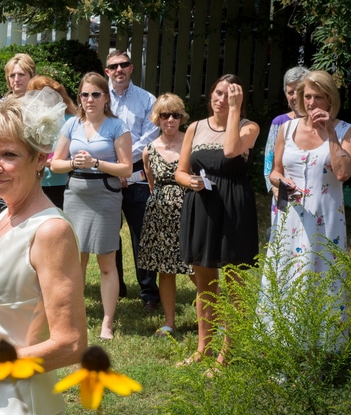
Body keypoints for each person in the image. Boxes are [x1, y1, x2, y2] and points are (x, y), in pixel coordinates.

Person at [0, 93, 87, 415]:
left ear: (40, 159)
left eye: (9, 155)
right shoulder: (5, 215)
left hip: (20, 411)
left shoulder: (50, 232)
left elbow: (71, 344)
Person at [175, 74, 259, 366]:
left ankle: (228, 352)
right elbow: (180, 171)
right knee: (204, 283)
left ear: (240, 98)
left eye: (230, 94)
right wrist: (190, 182)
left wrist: (235, 111)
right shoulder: (195, 127)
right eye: (218, 92)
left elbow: (230, 150)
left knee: (235, 283)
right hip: (202, 205)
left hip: (234, 207)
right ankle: (204, 348)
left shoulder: (249, 127)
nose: (222, 99)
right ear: (210, 94)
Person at [51, 72, 133, 340]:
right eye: (84, 95)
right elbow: (55, 163)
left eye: (96, 94)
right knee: (76, 262)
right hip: (75, 196)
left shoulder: (117, 127)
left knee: (107, 262)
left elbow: (126, 168)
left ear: (106, 98)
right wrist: (74, 163)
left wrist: (96, 163)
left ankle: (107, 323)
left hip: (105, 197)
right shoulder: (71, 125)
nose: (89, 99)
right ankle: (75, 317)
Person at [267, 70, 351, 290]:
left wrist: (330, 133)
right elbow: (275, 172)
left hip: (325, 219)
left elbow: (343, 173)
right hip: (290, 216)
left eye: (318, 97)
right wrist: (282, 183)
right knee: (285, 277)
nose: (312, 103)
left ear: (330, 100)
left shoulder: (347, 131)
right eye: (307, 96)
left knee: (323, 280)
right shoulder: (287, 128)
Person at [104, 49, 160, 309]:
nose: (119, 70)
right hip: (107, 171)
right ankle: (116, 288)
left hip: (137, 171)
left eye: (124, 64)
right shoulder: (100, 97)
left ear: (131, 67)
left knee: (142, 234)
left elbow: (150, 137)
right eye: (114, 66)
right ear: (107, 71)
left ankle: (149, 292)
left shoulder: (147, 99)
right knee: (109, 234)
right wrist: (115, 166)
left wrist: (123, 164)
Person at [139, 93, 192, 337]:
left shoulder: (191, 144)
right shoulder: (149, 150)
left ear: (182, 117)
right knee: (165, 269)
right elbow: (152, 184)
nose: (170, 120)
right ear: (156, 118)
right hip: (159, 215)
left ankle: (218, 318)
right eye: (164, 115)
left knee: (196, 268)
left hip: (189, 212)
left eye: (175, 115)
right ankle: (169, 322)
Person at [0, 54, 38, 217]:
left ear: (31, 76)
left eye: (21, 74)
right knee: (2, 218)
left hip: (27, 165)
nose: (16, 79)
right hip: (1, 164)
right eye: (12, 75)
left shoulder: (39, 105)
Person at [27, 75, 76, 209]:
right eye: (38, 95)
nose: (44, 98)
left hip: (65, 182)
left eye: (48, 93)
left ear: (58, 95)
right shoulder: (29, 120)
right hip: (37, 182)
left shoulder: (72, 119)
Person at [263, 66, 308, 193]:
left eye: (300, 91)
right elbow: (269, 161)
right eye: (290, 92)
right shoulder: (279, 123)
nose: (295, 96)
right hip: (283, 192)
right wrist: (274, 188)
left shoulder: (322, 123)